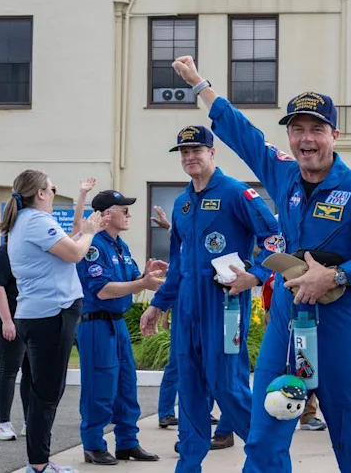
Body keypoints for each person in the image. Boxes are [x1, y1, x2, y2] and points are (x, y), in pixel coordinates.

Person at [171, 55, 351, 473]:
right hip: (286, 322)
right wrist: (197, 83)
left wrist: (336, 275)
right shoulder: (283, 174)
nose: (306, 139)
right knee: (263, 438)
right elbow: (243, 135)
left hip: (341, 326)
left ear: (335, 134)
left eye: (316, 129)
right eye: (297, 129)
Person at [140, 124, 282, 470]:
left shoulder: (237, 193)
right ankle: (188, 465)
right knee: (189, 388)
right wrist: (159, 304)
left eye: (196, 151)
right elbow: (179, 262)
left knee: (227, 386)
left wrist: (257, 274)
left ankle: (270, 459)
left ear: (212, 153)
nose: (190, 157)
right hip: (187, 305)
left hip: (224, 303)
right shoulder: (182, 203)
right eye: (184, 153)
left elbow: (275, 238)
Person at [0, 169, 103, 473]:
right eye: (52, 188)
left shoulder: (22, 222)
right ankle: (40, 464)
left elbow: (68, 239)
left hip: (35, 315)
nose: (54, 191)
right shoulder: (36, 221)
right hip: (51, 315)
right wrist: (92, 232)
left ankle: (40, 461)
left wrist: (83, 214)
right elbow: (74, 253)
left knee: (38, 390)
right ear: (41, 193)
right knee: (47, 393)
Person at [75, 190, 166, 465]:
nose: (128, 214)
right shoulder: (93, 246)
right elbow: (102, 290)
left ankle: (127, 442)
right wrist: (142, 284)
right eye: (122, 209)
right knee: (99, 386)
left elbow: (131, 281)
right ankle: (93, 445)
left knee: (127, 385)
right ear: (105, 214)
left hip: (117, 325)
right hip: (96, 326)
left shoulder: (119, 246)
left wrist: (146, 276)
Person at [147, 205, 224, 433]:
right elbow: (177, 272)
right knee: (176, 363)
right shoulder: (185, 240)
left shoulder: (213, 240)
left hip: (205, 307)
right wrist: (165, 310)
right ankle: (167, 413)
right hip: (183, 305)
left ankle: (202, 410)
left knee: (206, 361)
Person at [0, 240, 30, 442]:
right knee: (8, 369)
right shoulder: (4, 251)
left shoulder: (33, 249)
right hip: (9, 317)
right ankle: (3, 424)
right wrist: (7, 320)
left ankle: (29, 421)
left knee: (31, 372)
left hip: (29, 317)